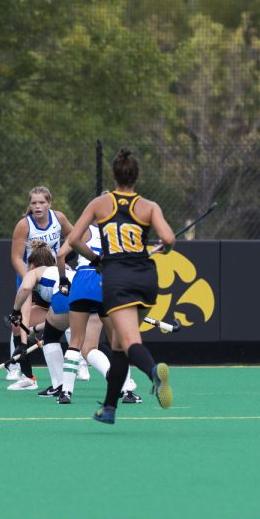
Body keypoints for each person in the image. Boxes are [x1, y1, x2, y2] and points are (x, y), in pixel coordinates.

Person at [67, 147, 176, 424]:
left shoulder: (99, 205)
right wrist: (161, 247)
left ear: (114, 176)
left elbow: (75, 240)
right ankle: (109, 408)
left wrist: (96, 259)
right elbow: (169, 239)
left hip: (118, 279)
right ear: (137, 176)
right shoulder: (150, 207)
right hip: (146, 278)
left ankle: (154, 372)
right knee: (117, 346)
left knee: (129, 342)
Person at [55, 225, 142, 405]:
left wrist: (63, 279)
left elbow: (60, 255)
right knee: (117, 342)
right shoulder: (120, 232)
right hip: (105, 283)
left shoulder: (84, 230)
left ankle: (65, 393)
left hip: (80, 282)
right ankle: (127, 391)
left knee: (76, 342)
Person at [7, 187, 73, 381]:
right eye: (34, 203)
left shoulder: (59, 218)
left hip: (53, 276)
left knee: (68, 313)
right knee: (19, 324)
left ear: (49, 203)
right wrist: (31, 277)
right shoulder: (24, 225)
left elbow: (74, 236)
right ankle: (16, 367)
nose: (37, 206)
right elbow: (16, 258)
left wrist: (63, 256)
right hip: (29, 277)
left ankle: (81, 362)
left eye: (41, 202)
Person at [4, 241, 66, 394]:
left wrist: (31, 334)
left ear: (31, 265)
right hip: (68, 308)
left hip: (64, 308)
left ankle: (36, 379)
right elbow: (25, 315)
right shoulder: (55, 271)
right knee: (89, 347)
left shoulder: (33, 274)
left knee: (81, 344)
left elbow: (23, 314)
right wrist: (24, 344)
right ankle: (28, 377)